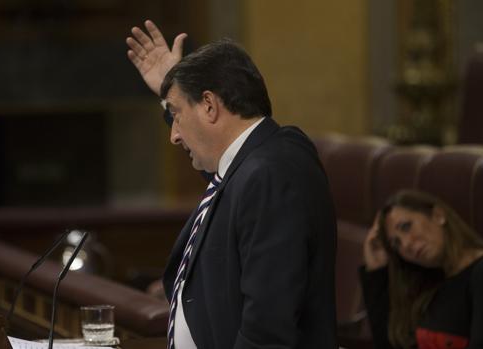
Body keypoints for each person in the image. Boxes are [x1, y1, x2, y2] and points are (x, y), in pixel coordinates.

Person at [126, 20, 337, 349]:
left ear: (209, 105)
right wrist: (175, 91)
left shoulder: (271, 172)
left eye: (177, 115)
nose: (174, 135)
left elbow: (266, 328)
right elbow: (227, 181)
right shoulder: (256, 164)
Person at [361, 190, 483, 349]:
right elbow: (390, 344)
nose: (406, 245)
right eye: (396, 243)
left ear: (438, 215)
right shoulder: (429, 284)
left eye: (406, 226)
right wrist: (376, 270)